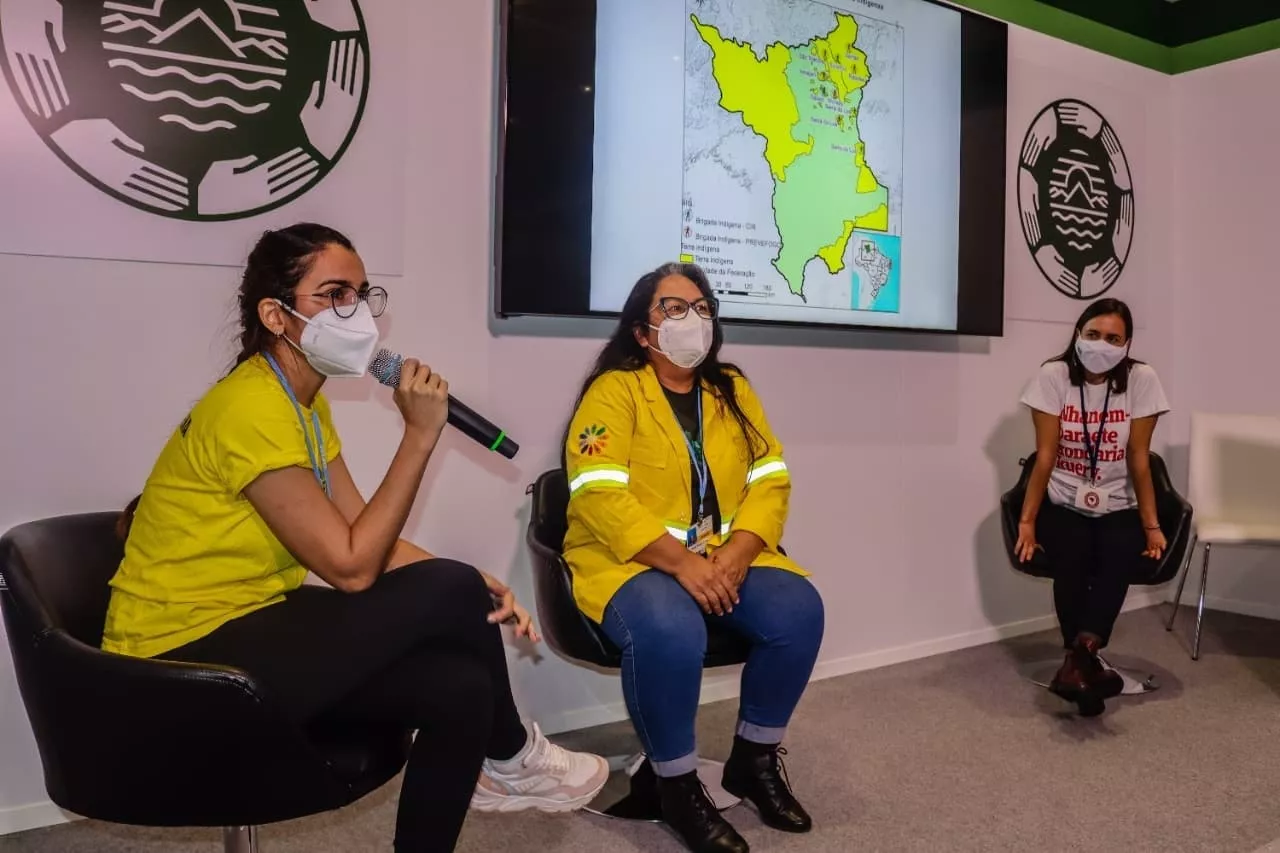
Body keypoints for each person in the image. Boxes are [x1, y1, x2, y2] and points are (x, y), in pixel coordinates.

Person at [103, 224, 607, 853]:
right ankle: (510, 755)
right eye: (335, 294)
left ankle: (499, 770)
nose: (359, 314)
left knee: (459, 687)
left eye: (364, 296)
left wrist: (477, 586)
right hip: (174, 661)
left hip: (244, 619)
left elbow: (365, 535)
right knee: (449, 586)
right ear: (276, 315)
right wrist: (420, 438)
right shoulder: (250, 408)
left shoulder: (303, 407)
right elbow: (350, 568)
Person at [562, 262, 825, 853]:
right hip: (627, 559)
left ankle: (752, 763)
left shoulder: (732, 389)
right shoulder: (614, 391)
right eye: (673, 308)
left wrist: (737, 551)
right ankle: (674, 786)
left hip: (722, 556)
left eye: (701, 307)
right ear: (641, 331)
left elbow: (771, 478)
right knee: (671, 628)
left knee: (799, 611)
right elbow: (599, 493)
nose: (692, 319)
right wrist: (682, 566)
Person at [1014, 297, 1170, 717]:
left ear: (1127, 344)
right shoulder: (1054, 375)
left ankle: (1077, 659)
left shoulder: (1141, 379)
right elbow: (1044, 455)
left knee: (1119, 551)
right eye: (1094, 334)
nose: (1102, 344)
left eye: (1113, 338)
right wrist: (1027, 521)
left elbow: (1140, 457)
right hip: (1064, 499)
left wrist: (1151, 526)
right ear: (1078, 335)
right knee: (1071, 553)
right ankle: (1085, 658)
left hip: (1119, 503)